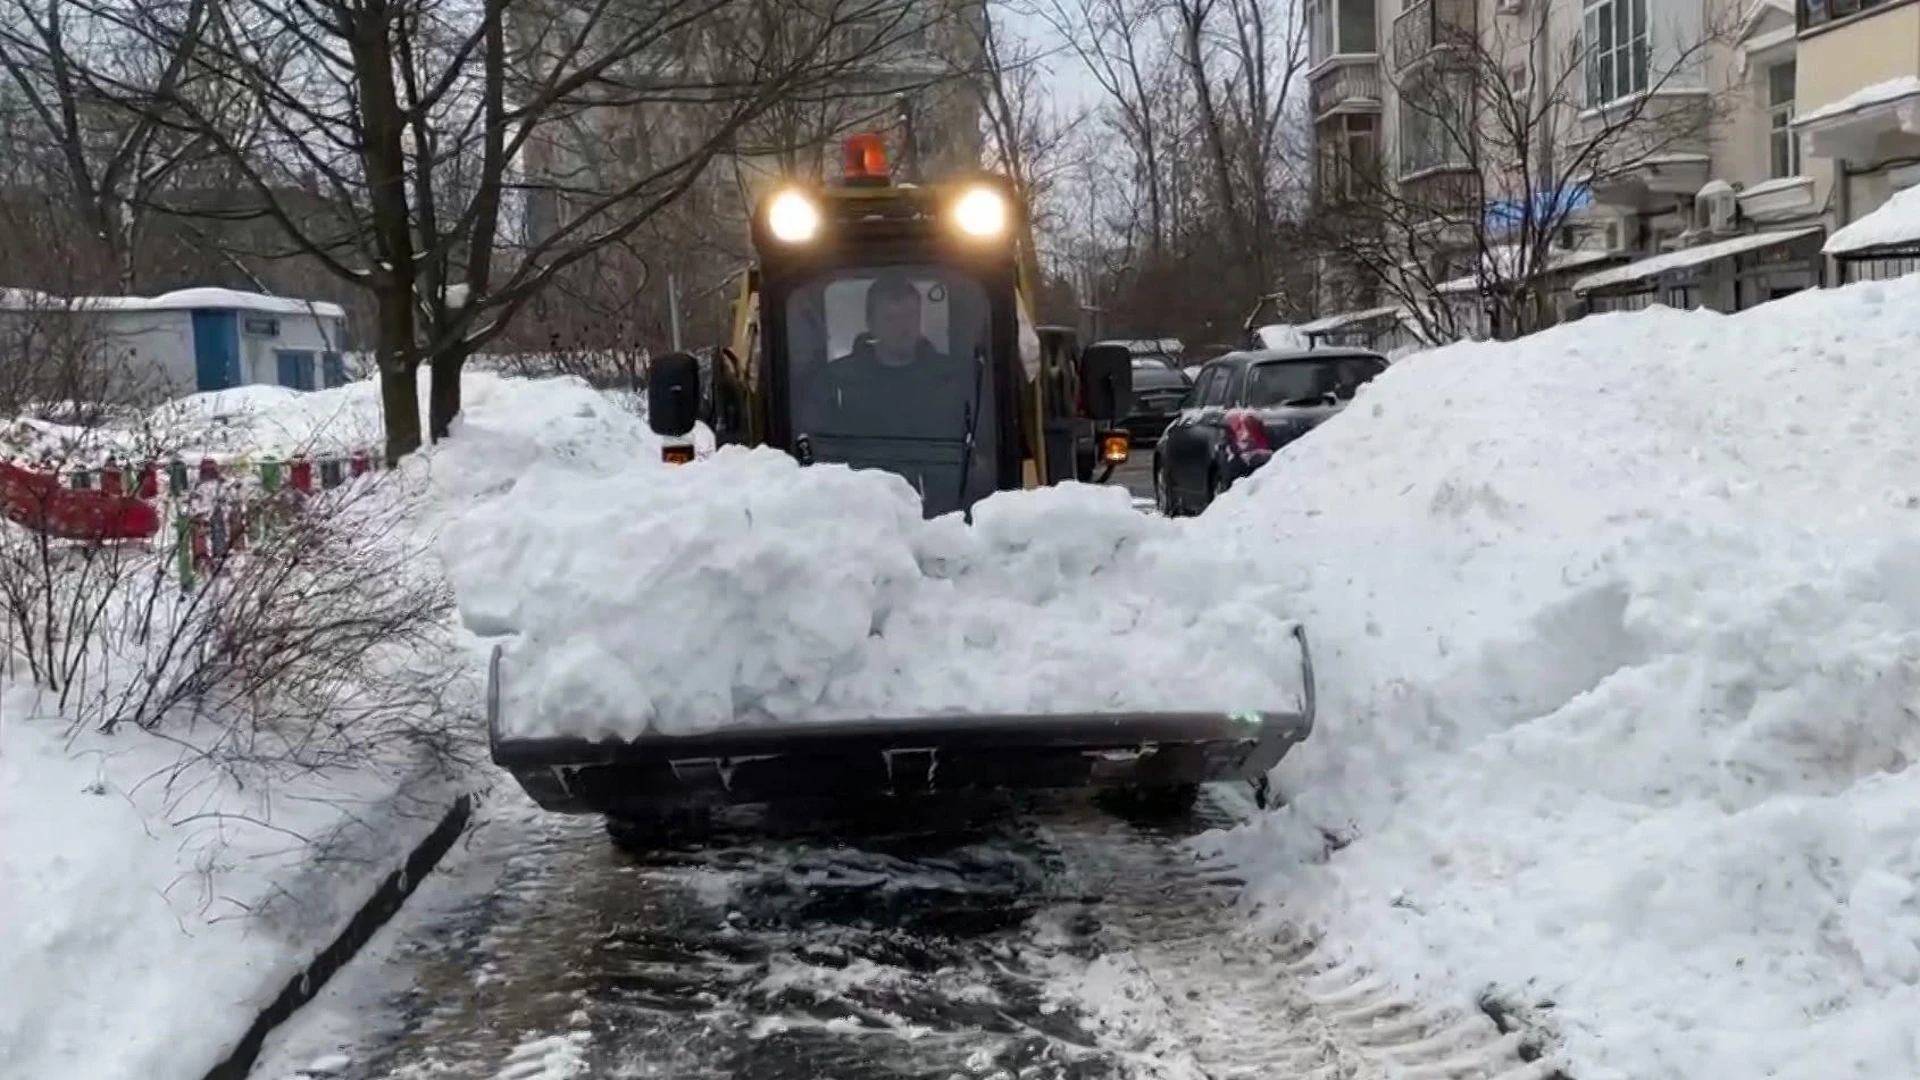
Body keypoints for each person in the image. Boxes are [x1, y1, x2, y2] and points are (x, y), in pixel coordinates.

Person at [804, 271, 984, 440]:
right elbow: (818, 452)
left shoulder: (952, 379)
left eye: (910, 316)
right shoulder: (836, 383)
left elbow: (980, 445)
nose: (902, 328)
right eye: (890, 318)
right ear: (870, 323)